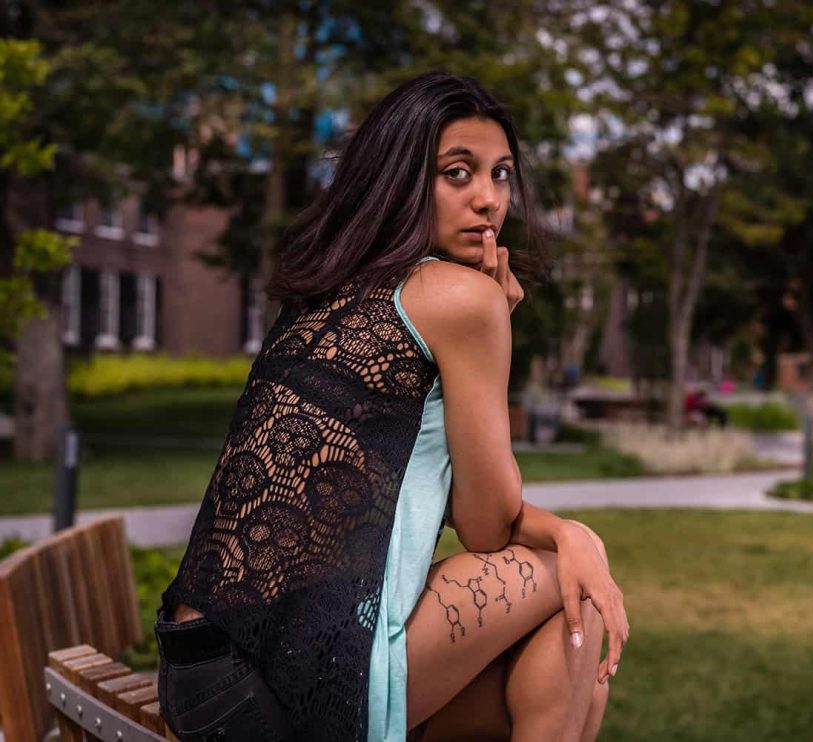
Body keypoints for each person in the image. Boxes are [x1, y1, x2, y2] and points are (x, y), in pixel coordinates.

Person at [154, 72, 628, 742]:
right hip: (271, 685)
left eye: (500, 174)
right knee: (574, 588)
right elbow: (486, 527)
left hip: (200, 669)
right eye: (457, 173)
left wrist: (567, 533)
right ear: (403, 178)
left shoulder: (329, 294)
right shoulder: (462, 301)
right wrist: (572, 535)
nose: (488, 199)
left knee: (574, 680)